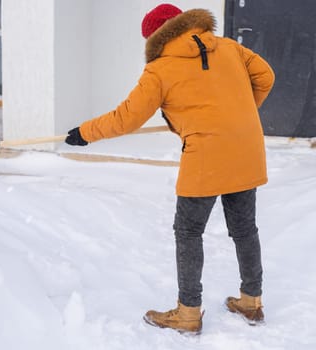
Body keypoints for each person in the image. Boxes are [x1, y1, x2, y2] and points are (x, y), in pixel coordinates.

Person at [65, 3, 274, 334]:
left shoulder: (160, 69)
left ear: (155, 37)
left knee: (189, 232)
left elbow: (127, 117)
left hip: (206, 155)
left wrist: (84, 133)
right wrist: (237, 115)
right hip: (246, 149)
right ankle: (252, 302)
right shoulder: (230, 47)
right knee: (244, 228)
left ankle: (188, 313)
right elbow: (266, 75)